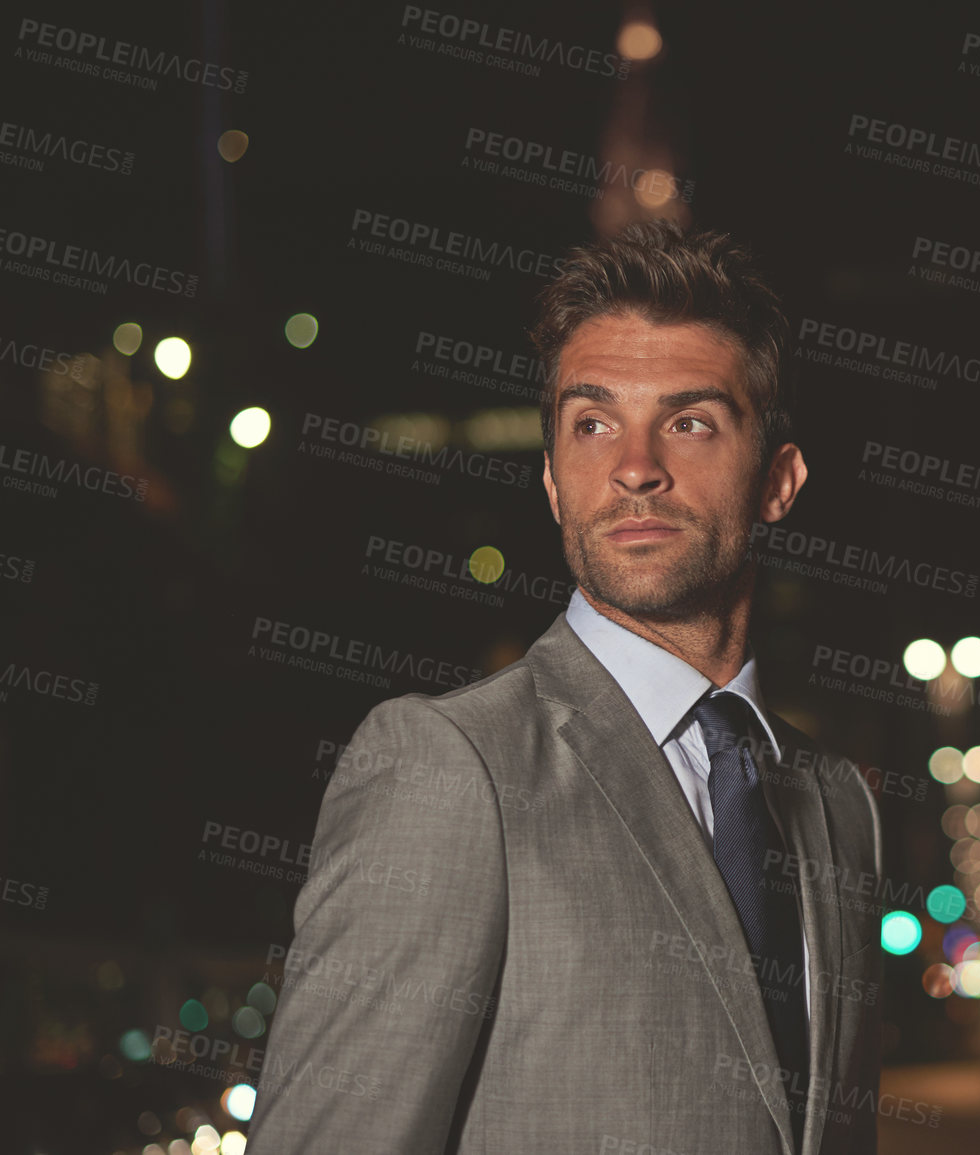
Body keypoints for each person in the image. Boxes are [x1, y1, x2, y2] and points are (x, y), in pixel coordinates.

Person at [246, 219, 884, 1154]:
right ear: (551, 480)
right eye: (592, 423)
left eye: (689, 421)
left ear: (779, 479)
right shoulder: (449, 766)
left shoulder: (838, 804)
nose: (634, 466)